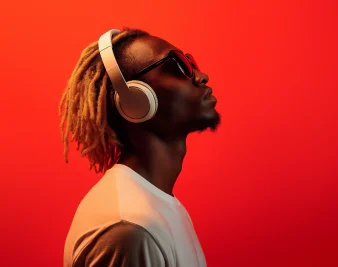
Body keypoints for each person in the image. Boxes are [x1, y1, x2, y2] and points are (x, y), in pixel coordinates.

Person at [59, 27, 221, 267]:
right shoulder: (132, 228)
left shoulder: (156, 206)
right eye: (176, 66)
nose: (200, 75)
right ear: (136, 100)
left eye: (190, 61)